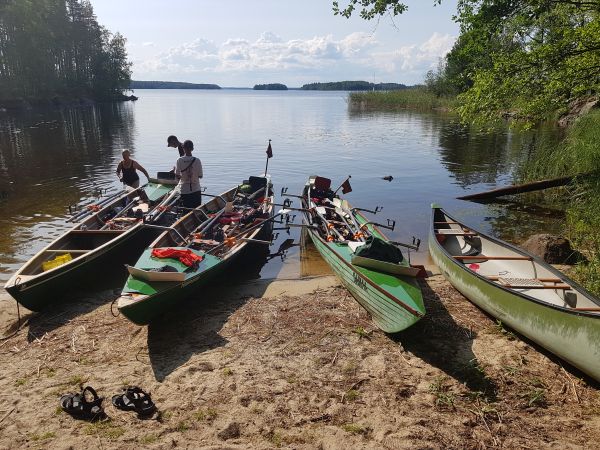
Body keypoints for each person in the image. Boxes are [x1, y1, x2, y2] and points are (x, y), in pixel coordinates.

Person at [175, 140, 203, 208]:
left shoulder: (179, 160)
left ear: (183, 148)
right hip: (196, 189)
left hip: (184, 190)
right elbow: (200, 176)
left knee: (186, 211)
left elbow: (177, 176)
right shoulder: (197, 160)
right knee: (197, 210)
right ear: (192, 149)